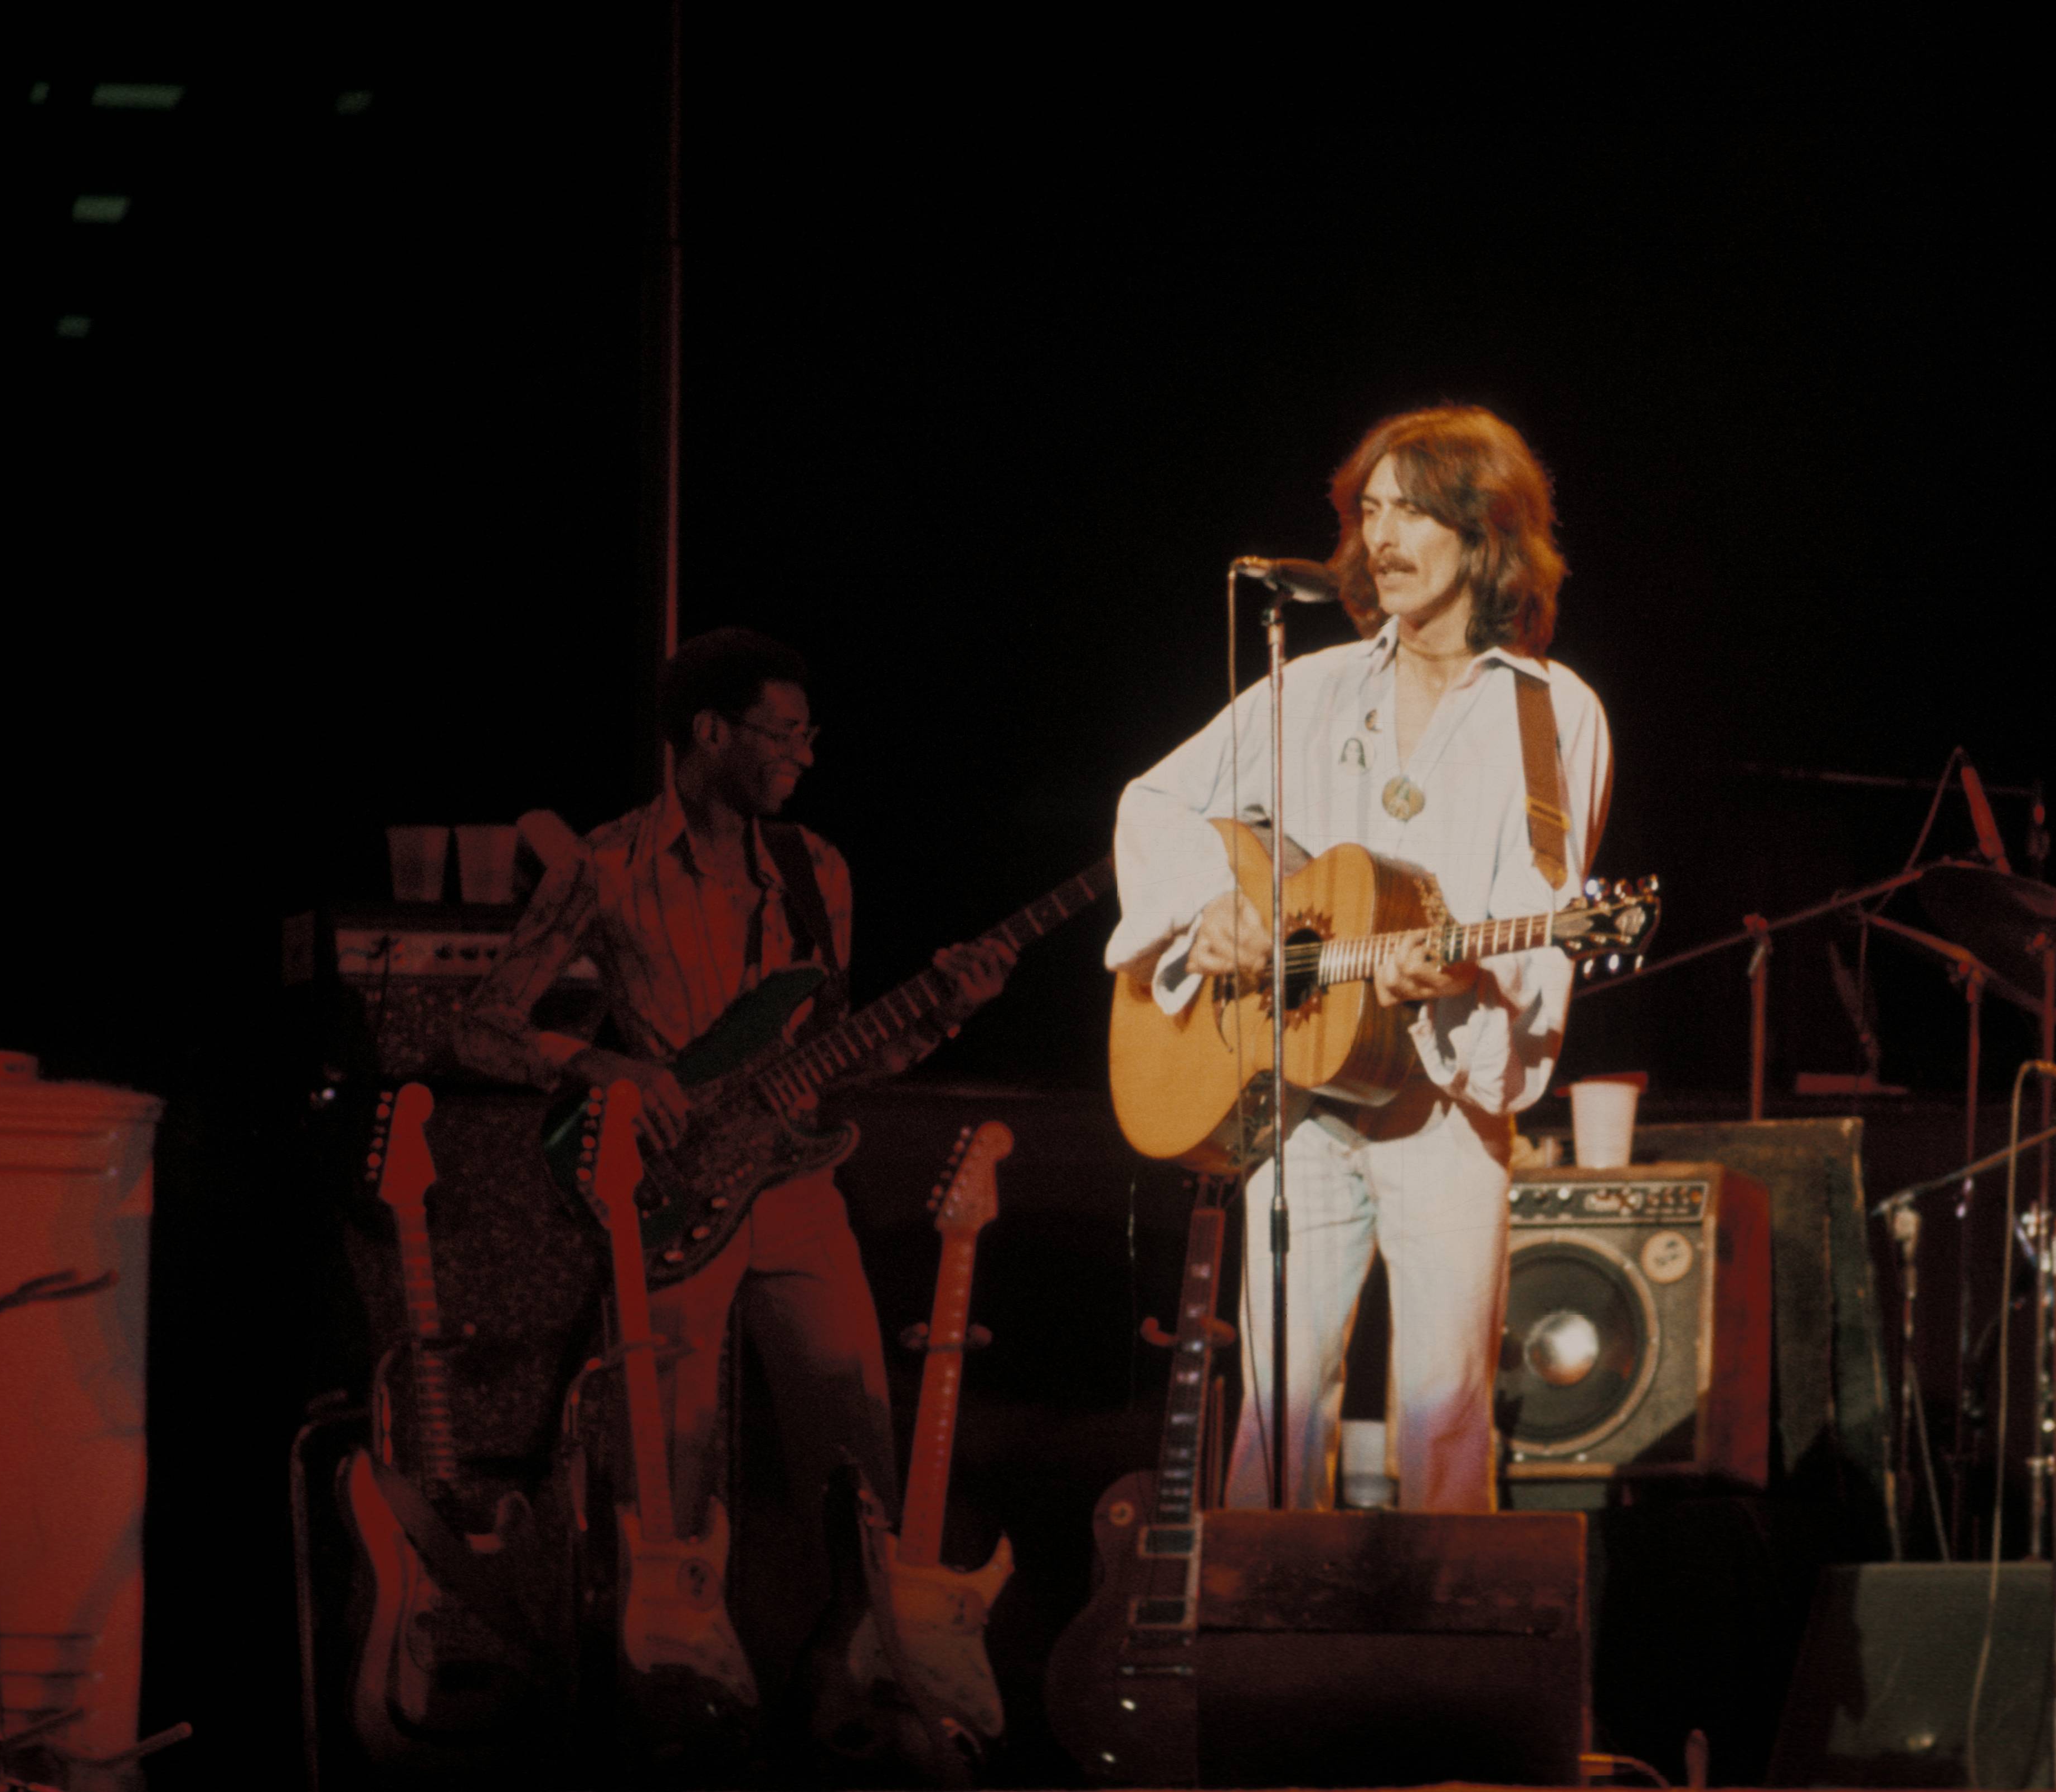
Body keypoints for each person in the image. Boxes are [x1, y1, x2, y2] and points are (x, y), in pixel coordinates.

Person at [1104, 406, 1612, 1511]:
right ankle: (1254, 1652)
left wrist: (1465, 971)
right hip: (1297, 1085)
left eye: (1413, 510)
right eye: (1369, 509)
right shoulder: (1312, 683)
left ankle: (1436, 1670)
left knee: (1441, 1414)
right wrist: (1207, 908)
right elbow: (1152, 802)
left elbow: (1540, 900)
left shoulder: (1549, 711)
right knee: (1276, 1410)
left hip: (1438, 1090)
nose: (1380, 536)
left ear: (1483, 535)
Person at [451, 627, 1014, 1545]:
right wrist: (604, 1066)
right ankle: (674, 1665)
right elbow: (479, 1026)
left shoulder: (816, 868)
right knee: (667, 1482)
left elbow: (839, 1049)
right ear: (711, 731)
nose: (804, 753)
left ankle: (865, 1664)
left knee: (860, 1463)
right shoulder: (603, 867)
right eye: (782, 731)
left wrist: (944, 1014)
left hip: (799, 1191)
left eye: (808, 733)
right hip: (671, 1189)